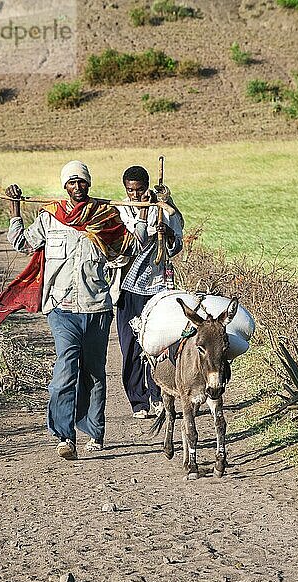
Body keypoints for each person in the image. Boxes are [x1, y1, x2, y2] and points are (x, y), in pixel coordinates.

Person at [2, 160, 134, 460]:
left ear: (89, 184)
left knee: (94, 373)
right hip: (61, 308)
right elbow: (23, 244)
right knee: (65, 370)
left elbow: (127, 249)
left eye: (82, 182)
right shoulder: (51, 219)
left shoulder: (105, 216)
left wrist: (145, 211)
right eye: (72, 182)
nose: (77, 187)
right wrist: (15, 211)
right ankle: (64, 436)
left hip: (97, 307)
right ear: (65, 186)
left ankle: (95, 431)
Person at [113, 165, 183, 419]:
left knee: (159, 344)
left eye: (140, 189)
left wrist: (169, 235)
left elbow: (177, 245)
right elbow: (134, 244)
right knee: (130, 345)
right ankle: (138, 401)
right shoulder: (120, 210)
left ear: (147, 186)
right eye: (131, 190)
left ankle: (159, 395)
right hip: (127, 287)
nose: (135, 194)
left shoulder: (163, 208)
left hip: (158, 285)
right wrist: (142, 215)